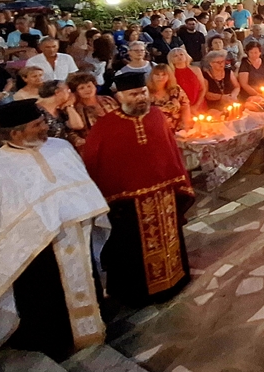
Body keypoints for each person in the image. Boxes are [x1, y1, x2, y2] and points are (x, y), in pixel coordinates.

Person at [0, 100, 111, 358]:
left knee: (85, 280)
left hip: (74, 234)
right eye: (37, 124)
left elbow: (81, 185)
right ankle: (52, 338)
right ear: (15, 133)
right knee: (43, 294)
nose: (45, 127)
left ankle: (92, 325)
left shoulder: (61, 148)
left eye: (43, 121)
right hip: (33, 247)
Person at [81, 72, 195, 306]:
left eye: (143, 92)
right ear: (120, 96)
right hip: (127, 204)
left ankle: (174, 280)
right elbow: (96, 162)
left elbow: (170, 151)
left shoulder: (156, 116)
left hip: (164, 195)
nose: (140, 97)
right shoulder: (106, 127)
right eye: (134, 94)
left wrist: (177, 182)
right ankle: (137, 293)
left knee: (169, 239)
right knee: (131, 249)